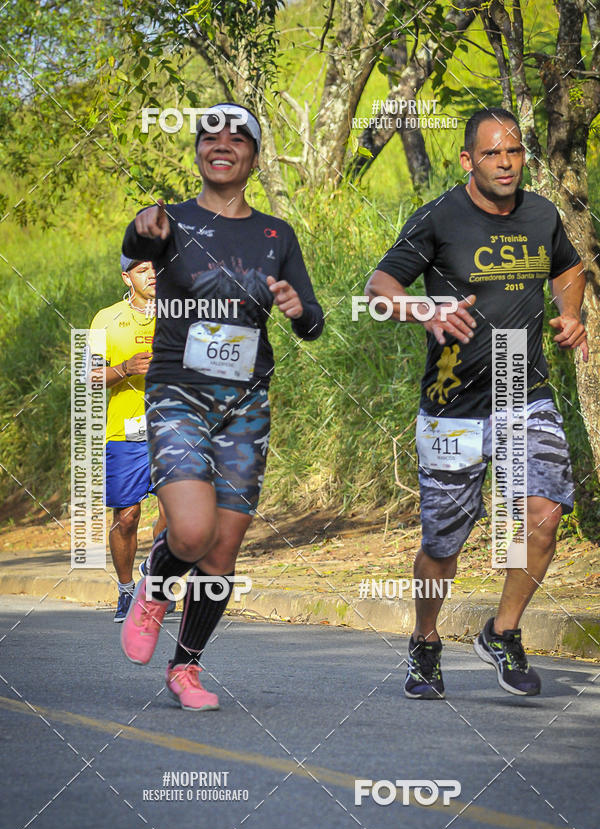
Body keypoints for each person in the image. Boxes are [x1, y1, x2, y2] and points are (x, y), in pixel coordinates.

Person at [365, 107, 587, 699]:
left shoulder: (542, 214)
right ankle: (426, 641)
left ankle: (503, 631)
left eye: (514, 153)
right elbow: (380, 290)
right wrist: (425, 309)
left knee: (543, 515)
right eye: (493, 154)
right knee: (443, 544)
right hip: (451, 402)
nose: (507, 164)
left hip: (524, 389)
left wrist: (570, 313)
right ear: (468, 160)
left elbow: (568, 268)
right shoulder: (440, 217)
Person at [120, 102, 324, 710]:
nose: (223, 143)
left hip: (246, 404)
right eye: (211, 135)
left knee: (222, 550)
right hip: (179, 391)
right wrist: (141, 228)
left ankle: (185, 669)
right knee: (189, 529)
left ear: (254, 158)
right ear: (199, 153)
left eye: (239, 137)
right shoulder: (172, 221)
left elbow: (313, 323)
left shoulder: (276, 235)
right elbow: (137, 239)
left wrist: (294, 307)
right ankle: (153, 588)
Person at [88, 257, 167, 622]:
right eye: (141, 270)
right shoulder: (106, 318)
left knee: (177, 515)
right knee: (128, 516)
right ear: (126, 276)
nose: (151, 274)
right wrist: (124, 369)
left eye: (155, 267)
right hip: (125, 430)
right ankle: (125, 591)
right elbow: (88, 376)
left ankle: (153, 575)